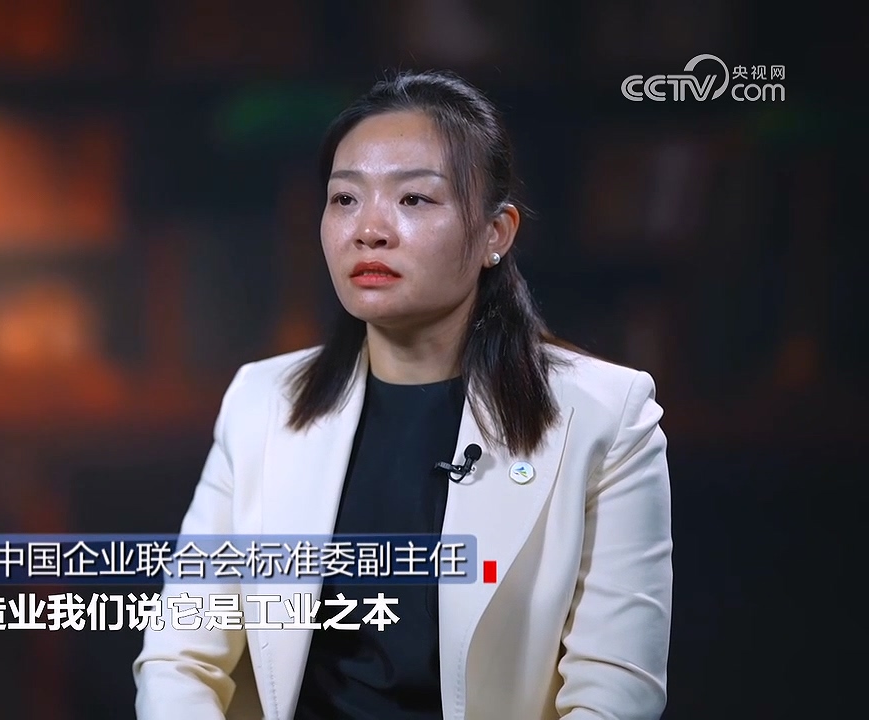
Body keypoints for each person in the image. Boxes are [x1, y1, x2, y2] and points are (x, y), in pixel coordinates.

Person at [133, 70, 673, 720]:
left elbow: (616, 690)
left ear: (496, 233)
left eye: (414, 199)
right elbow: (178, 655)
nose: (370, 230)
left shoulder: (606, 416)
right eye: (345, 199)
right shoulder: (262, 401)